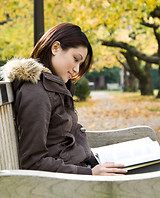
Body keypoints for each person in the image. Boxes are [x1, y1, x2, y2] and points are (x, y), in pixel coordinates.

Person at [1, 23, 127, 175]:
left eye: (80, 64)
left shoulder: (53, 88)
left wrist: (93, 164)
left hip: (76, 170)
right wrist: (90, 173)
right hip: (64, 183)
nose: (76, 70)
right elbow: (33, 162)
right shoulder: (36, 93)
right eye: (75, 59)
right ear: (55, 48)